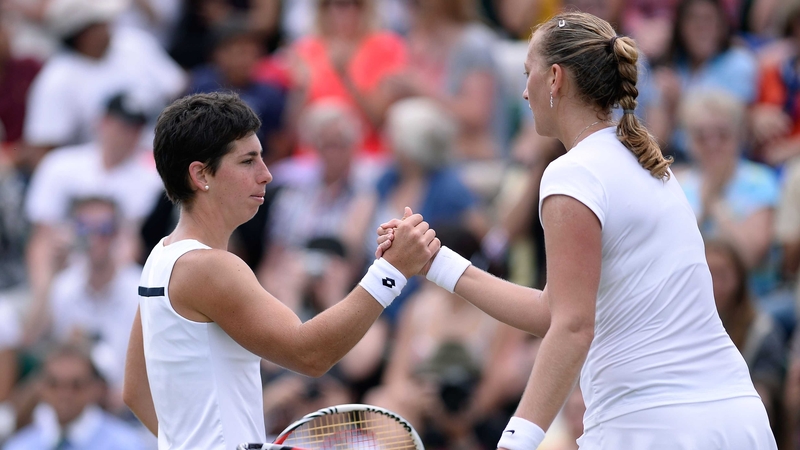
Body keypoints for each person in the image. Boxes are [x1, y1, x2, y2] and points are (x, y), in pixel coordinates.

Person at [378, 11, 776, 450]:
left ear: (554, 78)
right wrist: (437, 263)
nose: (523, 91)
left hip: (654, 427)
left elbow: (571, 327)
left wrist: (516, 440)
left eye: (527, 73)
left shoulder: (572, 174)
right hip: (737, 421)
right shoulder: (646, 163)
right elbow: (555, 310)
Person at [122, 92, 438, 450]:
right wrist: (391, 271)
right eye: (248, 162)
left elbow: (135, 390)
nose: (267, 175)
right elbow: (310, 354)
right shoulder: (209, 267)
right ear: (200, 175)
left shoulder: (161, 256)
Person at [3, 344, 146, 450]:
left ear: (95, 388)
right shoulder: (20, 446)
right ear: (41, 388)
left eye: (76, 385)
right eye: (54, 384)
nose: (64, 394)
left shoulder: (126, 444)